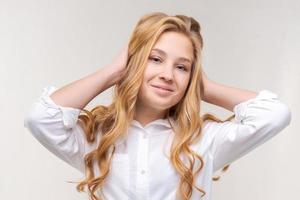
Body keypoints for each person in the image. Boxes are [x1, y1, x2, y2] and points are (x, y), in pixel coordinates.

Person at [24, 12, 292, 200]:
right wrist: (113, 71)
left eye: (181, 67)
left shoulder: (202, 142)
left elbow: (275, 114)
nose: (167, 74)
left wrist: (204, 87)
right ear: (134, 62)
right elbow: (40, 119)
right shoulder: (97, 140)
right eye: (155, 59)